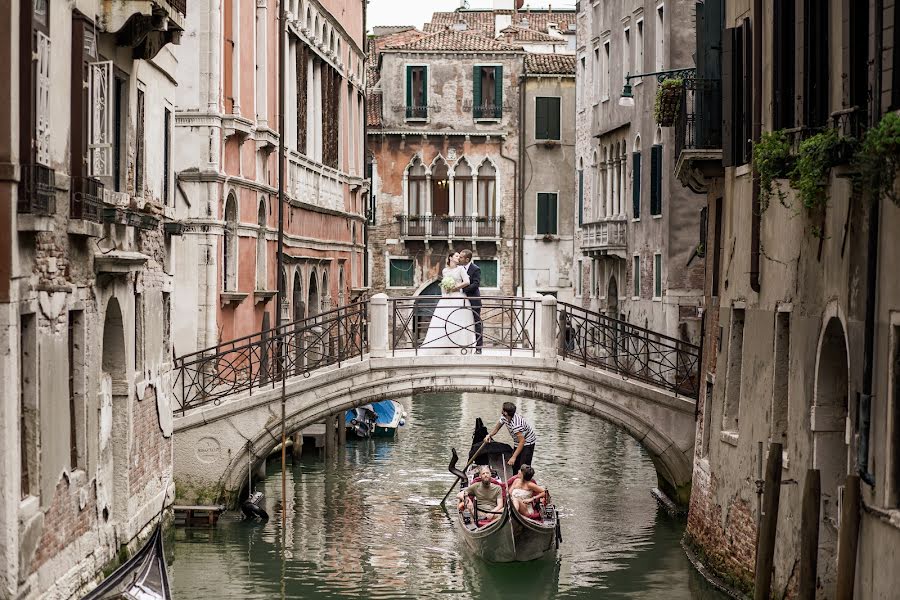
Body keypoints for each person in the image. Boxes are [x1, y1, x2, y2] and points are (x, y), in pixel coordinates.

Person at [420, 252, 476, 354]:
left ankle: (458, 347)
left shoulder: (461, 269)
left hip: (458, 298)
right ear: (450, 257)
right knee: (444, 321)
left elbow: (467, 281)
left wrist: (456, 287)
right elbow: (443, 283)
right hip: (446, 298)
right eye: (456, 256)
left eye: (459, 256)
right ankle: (443, 346)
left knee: (458, 322)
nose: (459, 258)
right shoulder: (445, 270)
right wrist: (445, 288)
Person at [484, 402, 537, 474]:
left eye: (502, 409)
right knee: (515, 466)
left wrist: (513, 457)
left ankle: (524, 482)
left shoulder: (516, 424)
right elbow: (497, 428)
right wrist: (489, 435)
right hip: (517, 441)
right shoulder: (504, 417)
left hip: (528, 442)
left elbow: (522, 442)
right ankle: (515, 481)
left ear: (505, 413)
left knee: (524, 467)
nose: (501, 410)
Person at [457, 249, 482, 354]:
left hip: (473, 300)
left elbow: (476, 284)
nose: (459, 258)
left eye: (461, 257)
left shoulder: (475, 269)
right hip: (459, 300)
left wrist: (462, 290)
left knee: (477, 322)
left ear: (467, 259)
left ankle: (479, 347)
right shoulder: (457, 269)